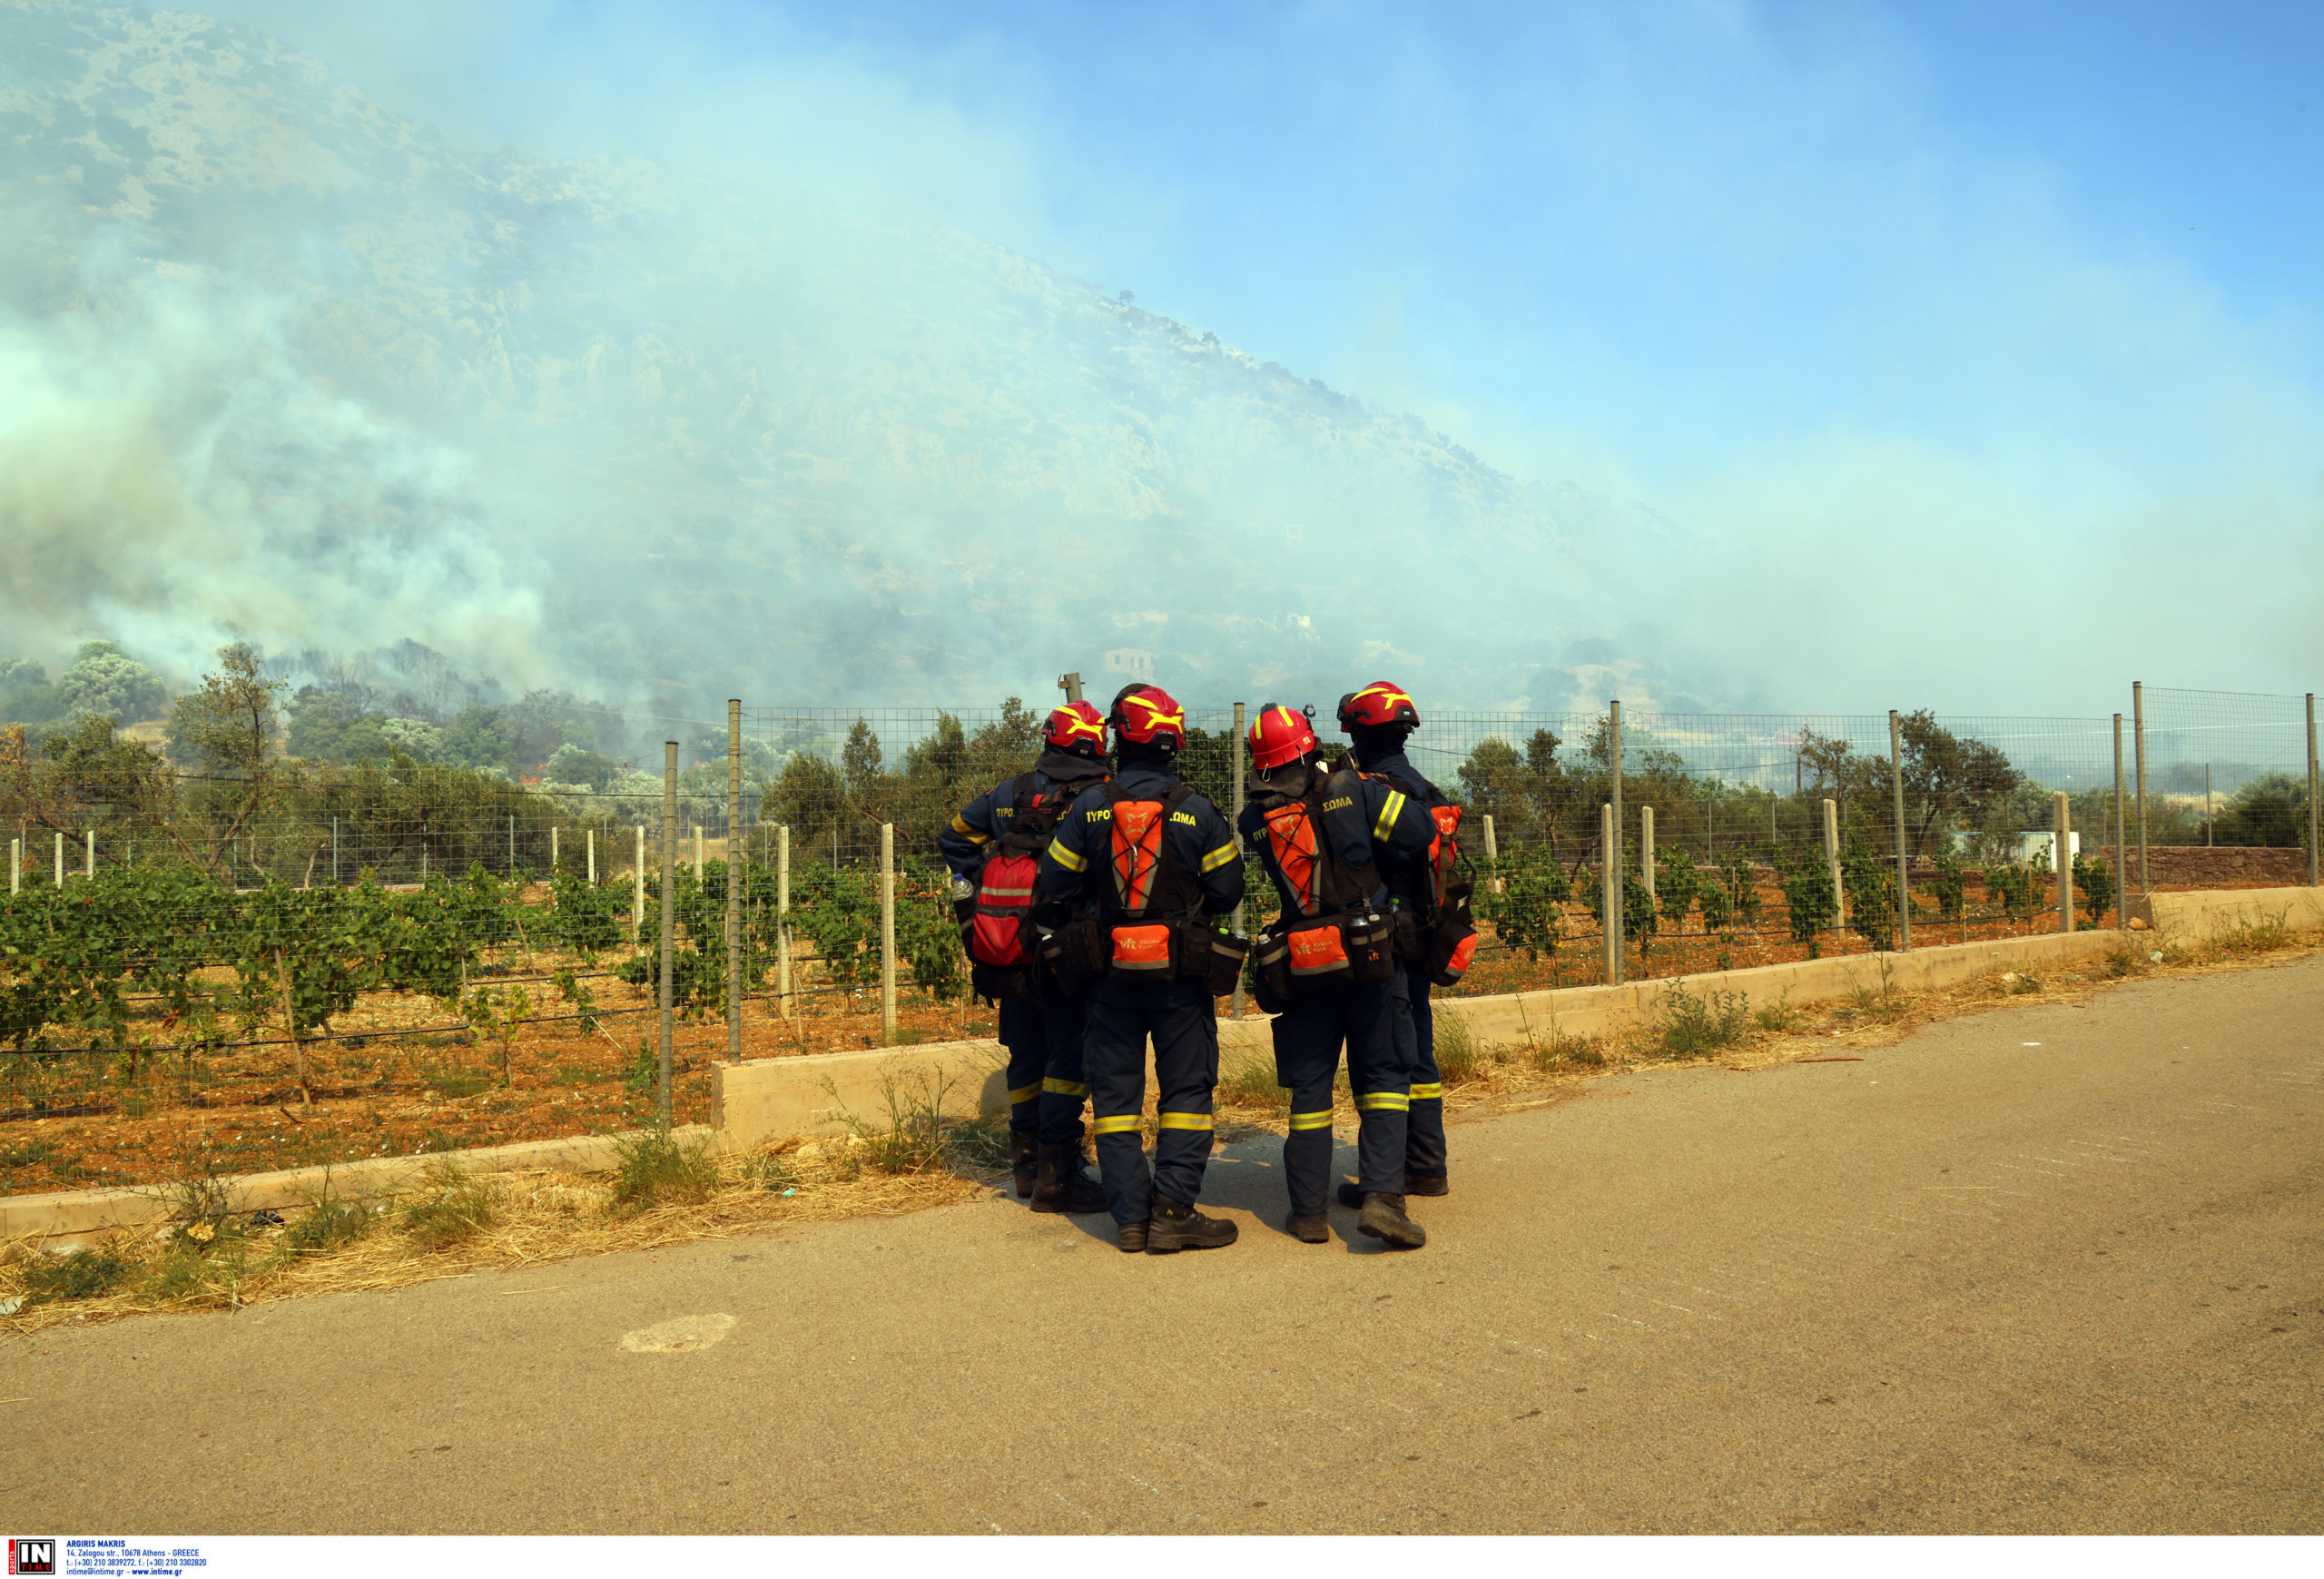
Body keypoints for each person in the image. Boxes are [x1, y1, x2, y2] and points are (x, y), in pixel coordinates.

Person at [1037, 685, 1246, 1253]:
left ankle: (1130, 1218)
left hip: (1107, 979)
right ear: (1172, 739)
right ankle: (1174, 1211)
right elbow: (1228, 891)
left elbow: (1053, 884)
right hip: (1180, 980)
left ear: (1117, 737)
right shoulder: (1199, 809)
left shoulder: (1089, 807)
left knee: (1115, 1096)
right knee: (1186, 1091)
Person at [1240, 703, 1436, 1248]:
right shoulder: (1358, 789)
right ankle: (1382, 1201)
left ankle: (1307, 1213)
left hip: (1303, 961)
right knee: (1386, 1079)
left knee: (1310, 1089)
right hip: (1371, 955)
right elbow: (1419, 832)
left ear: (1262, 764)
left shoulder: (1254, 819)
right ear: (1309, 746)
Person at [938, 699, 1111, 1214]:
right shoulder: (1099, 797)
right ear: (1097, 743)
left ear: (1050, 739)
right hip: (1069, 951)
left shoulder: (1009, 793)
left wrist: (980, 898)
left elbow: (955, 838)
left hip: (1009, 950)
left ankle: (1026, 1167)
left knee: (1026, 1056)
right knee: (1069, 1058)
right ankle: (1059, 1175)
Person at [1331, 681, 1471, 1209]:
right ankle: (1427, 1167)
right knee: (1419, 1056)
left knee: (1382, 1061)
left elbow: (1352, 856)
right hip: (1423, 936)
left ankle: (1385, 1177)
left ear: (1360, 733)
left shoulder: (1374, 789)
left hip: (1385, 940)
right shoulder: (1423, 785)